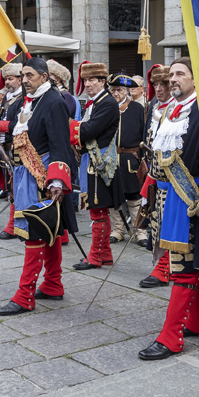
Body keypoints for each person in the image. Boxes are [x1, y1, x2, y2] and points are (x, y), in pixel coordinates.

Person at [138, 59, 199, 359]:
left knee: (184, 268)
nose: (172, 79)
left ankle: (171, 337)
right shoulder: (171, 109)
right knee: (191, 263)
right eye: (171, 74)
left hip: (193, 201)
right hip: (168, 198)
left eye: (180, 74)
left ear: (195, 79)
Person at [0, 58, 77, 315]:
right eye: (23, 75)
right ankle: (53, 284)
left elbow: (60, 143)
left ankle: (25, 295)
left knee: (35, 232)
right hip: (24, 174)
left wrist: (56, 180)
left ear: (44, 76)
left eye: (29, 75)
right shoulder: (26, 101)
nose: (25, 79)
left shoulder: (54, 101)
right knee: (47, 229)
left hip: (42, 175)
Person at [70, 61, 123, 270]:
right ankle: (105, 255)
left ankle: (94, 257)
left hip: (100, 163)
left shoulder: (107, 103)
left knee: (97, 212)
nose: (87, 84)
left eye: (92, 80)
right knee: (98, 211)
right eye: (85, 80)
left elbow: (88, 131)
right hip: (92, 161)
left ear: (102, 81)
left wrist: (68, 124)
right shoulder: (95, 102)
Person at [140, 65, 173, 287]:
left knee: (169, 224)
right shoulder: (154, 106)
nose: (159, 89)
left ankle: (167, 266)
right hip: (155, 172)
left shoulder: (179, 109)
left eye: (164, 84)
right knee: (156, 221)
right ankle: (162, 264)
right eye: (155, 85)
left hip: (175, 178)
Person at [109, 73, 146, 244]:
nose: (116, 93)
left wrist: (143, 159)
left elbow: (144, 135)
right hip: (112, 158)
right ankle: (118, 230)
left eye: (119, 90)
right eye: (113, 90)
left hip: (131, 158)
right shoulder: (106, 108)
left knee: (134, 197)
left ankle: (140, 232)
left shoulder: (137, 109)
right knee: (115, 196)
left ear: (126, 91)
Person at [0, 63, 25, 240]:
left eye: (10, 79)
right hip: (5, 148)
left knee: (16, 189)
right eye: (6, 79)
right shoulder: (7, 98)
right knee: (11, 190)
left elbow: (17, 126)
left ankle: (15, 226)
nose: (7, 82)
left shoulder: (22, 99)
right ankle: (14, 225)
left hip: (16, 148)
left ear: (20, 79)